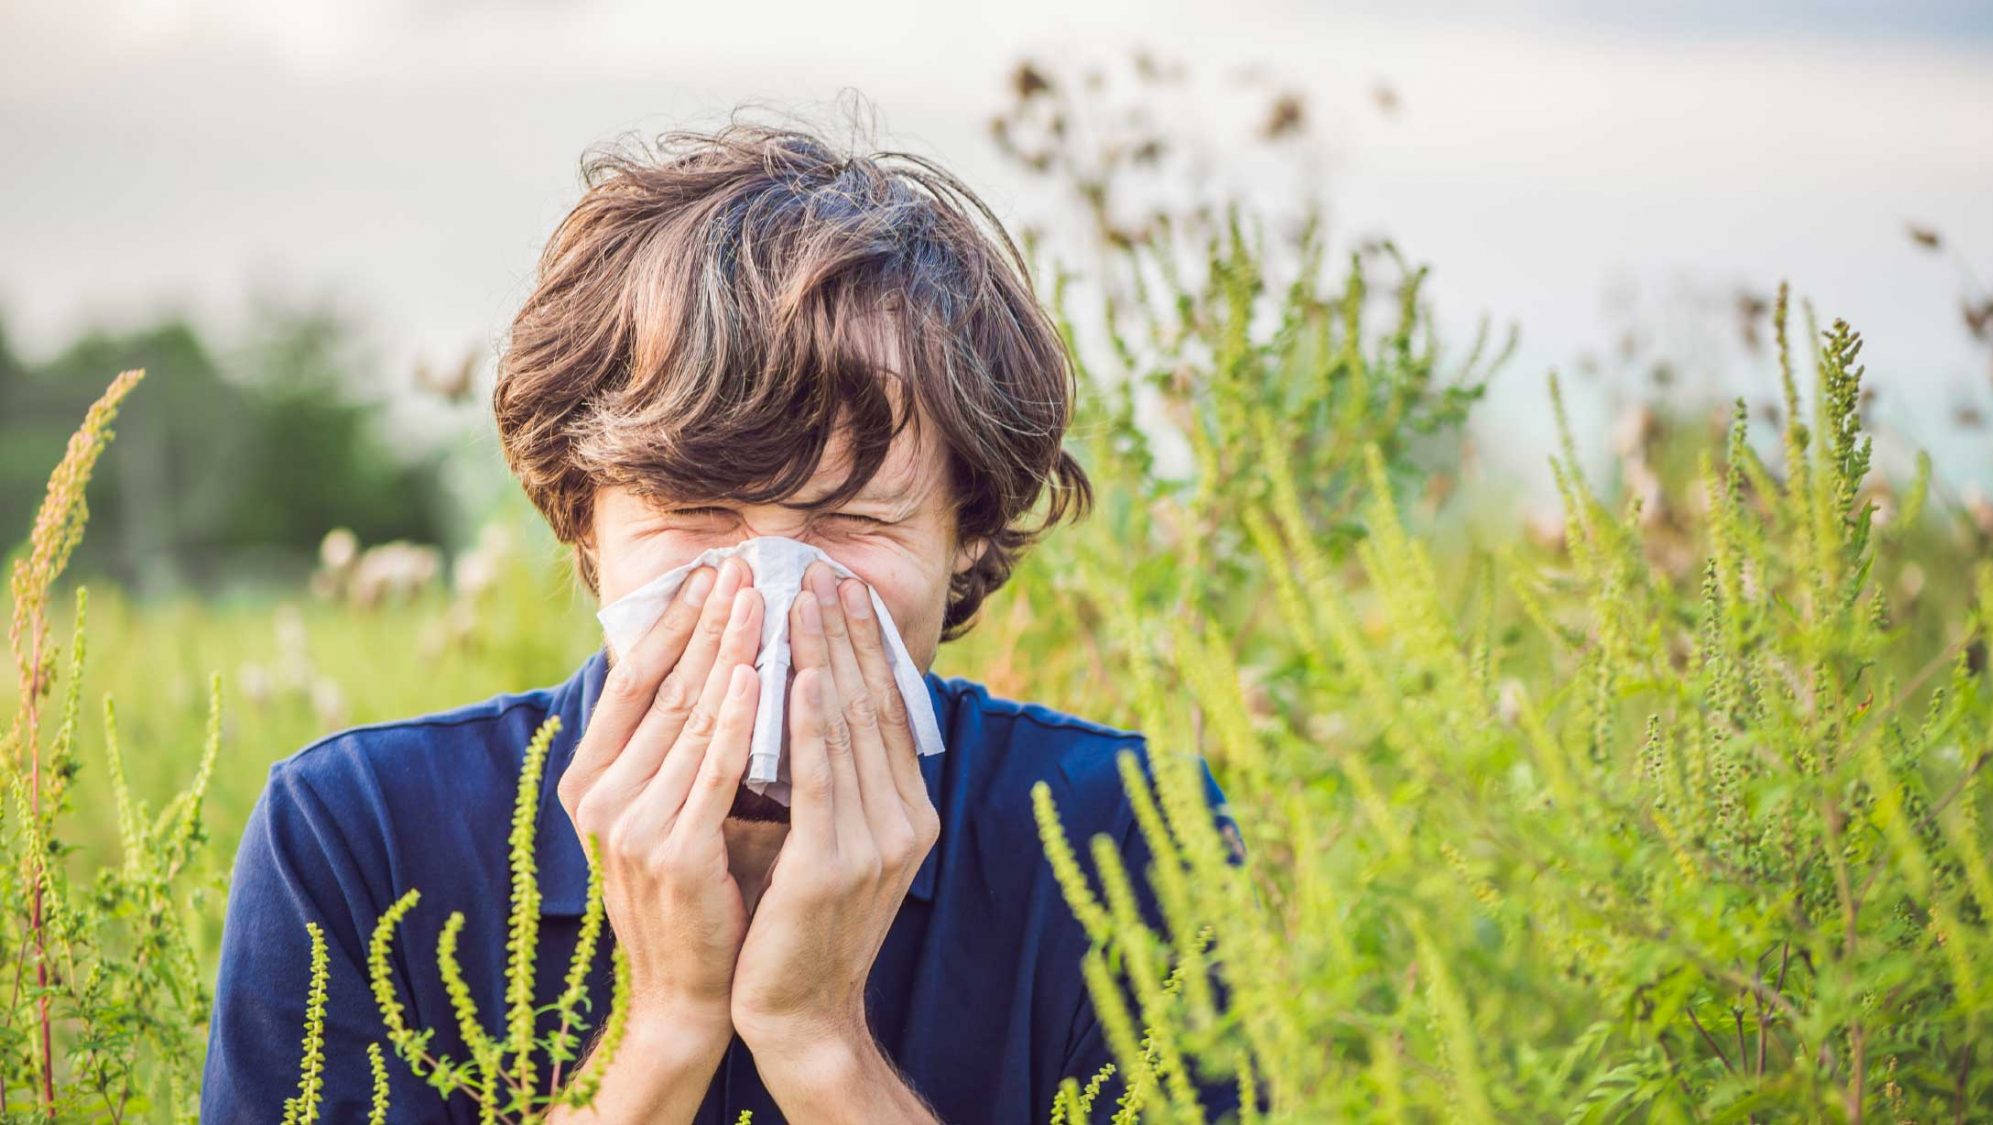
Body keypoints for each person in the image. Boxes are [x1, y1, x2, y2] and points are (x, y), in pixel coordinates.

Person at [201, 117, 1238, 1124]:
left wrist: (818, 1041)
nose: (768, 586)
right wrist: (662, 1028)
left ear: (965, 531)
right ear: (584, 520)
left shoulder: (1126, 841)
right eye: (695, 513)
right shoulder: (358, 839)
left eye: (848, 521)